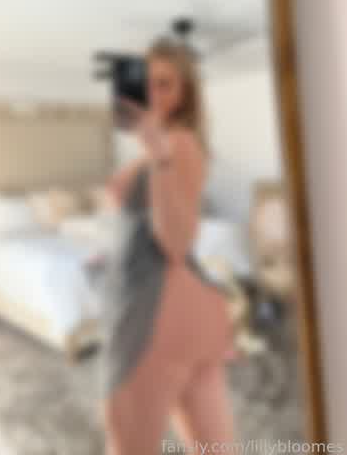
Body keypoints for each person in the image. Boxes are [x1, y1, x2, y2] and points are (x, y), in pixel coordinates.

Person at [100, 37, 235, 454]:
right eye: (147, 83)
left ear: (184, 94)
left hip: (154, 312)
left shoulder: (177, 143)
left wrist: (158, 154)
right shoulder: (163, 145)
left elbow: (176, 242)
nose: (154, 94)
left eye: (166, 84)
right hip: (186, 313)